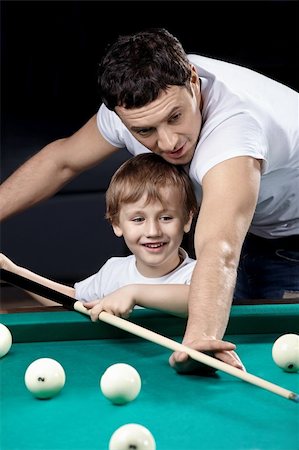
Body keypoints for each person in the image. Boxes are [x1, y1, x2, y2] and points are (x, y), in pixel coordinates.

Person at [0, 28, 298, 373]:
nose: (170, 142)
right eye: (145, 131)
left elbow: (219, 248)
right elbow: (61, 162)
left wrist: (199, 341)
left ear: (192, 79)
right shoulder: (131, 109)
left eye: (175, 117)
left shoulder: (233, 131)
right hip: (250, 229)